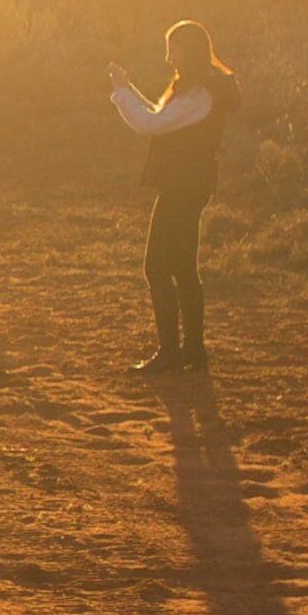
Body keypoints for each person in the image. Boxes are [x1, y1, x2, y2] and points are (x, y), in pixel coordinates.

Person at [109, 21, 238, 376]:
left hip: (183, 186)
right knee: (182, 268)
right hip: (190, 184)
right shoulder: (201, 90)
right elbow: (161, 119)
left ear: (190, 50)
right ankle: (193, 352)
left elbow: (150, 125)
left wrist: (121, 92)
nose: (169, 57)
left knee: (157, 266)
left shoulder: (199, 93)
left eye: (174, 48)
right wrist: (129, 89)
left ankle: (172, 353)